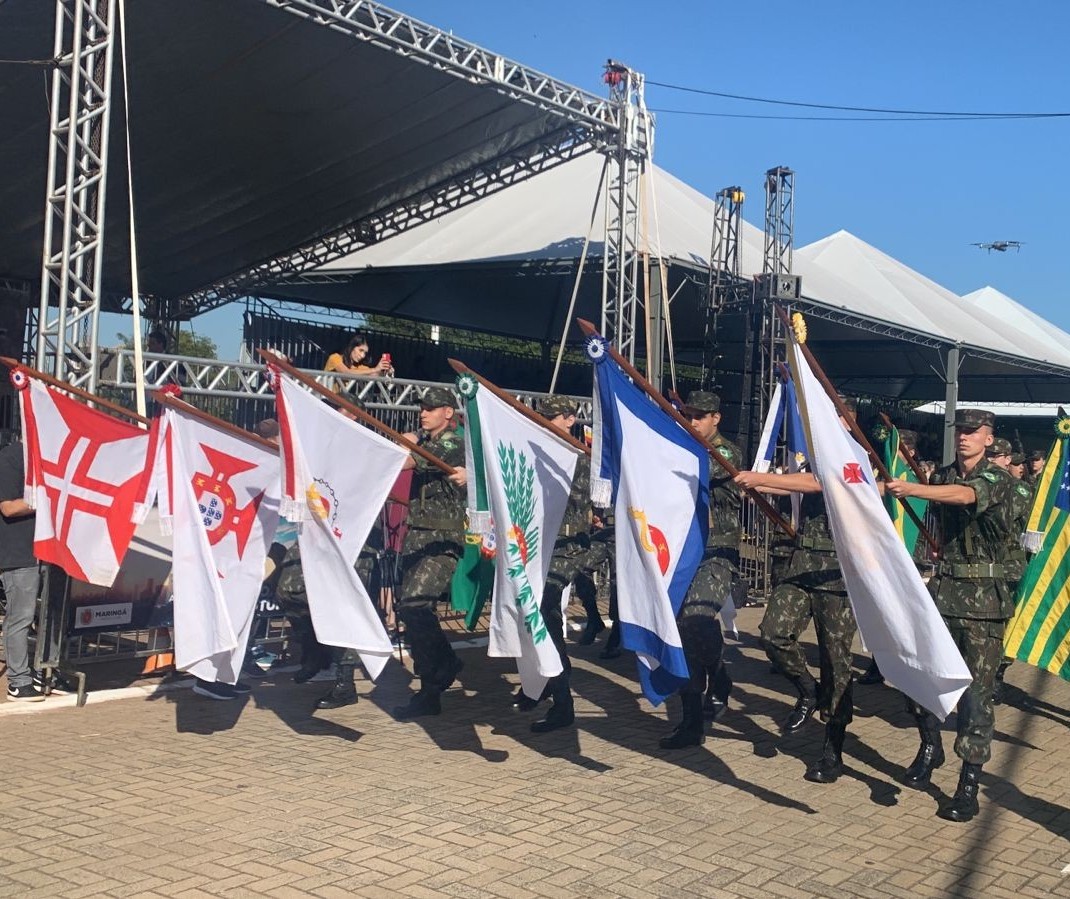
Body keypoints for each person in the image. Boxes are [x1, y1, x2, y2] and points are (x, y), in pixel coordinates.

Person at [886, 408, 1030, 822]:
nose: (964, 437)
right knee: (921, 678)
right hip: (943, 594)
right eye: (960, 431)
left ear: (989, 438)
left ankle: (968, 783)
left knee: (975, 698)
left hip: (985, 605)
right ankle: (930, 747)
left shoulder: (1001, 482)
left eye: (972, 431)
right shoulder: (943, 476)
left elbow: (968, 497)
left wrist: (913, 488)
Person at [734, 399, 860, 783]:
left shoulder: (859, 459)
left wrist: (761, 480)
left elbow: (821, 484)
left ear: (850, 423)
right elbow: (802, 485)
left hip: (839, 575)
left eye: (835, 420)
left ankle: (832, 749)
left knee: (837, 663)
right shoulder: (815, 458)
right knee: (772, 634)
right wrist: (761, 486)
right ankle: (807, 689)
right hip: (804, 563)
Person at [659, 390, 739, 748]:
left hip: (717, 551)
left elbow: (706, 473)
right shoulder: (682, 446)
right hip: (682, 548)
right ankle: (691, 721)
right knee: (679, 629)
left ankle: (718, 674)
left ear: (715, 418)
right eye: (688, 415)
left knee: (696, 618)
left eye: (699, 416)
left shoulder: (726, 453)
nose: (692, 422)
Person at [516, 395, 590, 733]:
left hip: (566, 548)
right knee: (529, 618)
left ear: (569, 419)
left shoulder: (580, 459)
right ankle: (541, 683)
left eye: (551, 418)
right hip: (535, 546)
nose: (543, 424)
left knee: (546, 616)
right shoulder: (535, 451)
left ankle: (562, 701)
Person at [392, 387, 468, 719]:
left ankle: (446, 663)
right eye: (422, 408)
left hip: (442, 539)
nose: (423, 413)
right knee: (411, 612)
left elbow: (406, 460)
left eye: (431, 408)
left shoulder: (452, 443)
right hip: (417, 536)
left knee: (415, 602)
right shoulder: (425, 441)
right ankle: (430, 690)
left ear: (448, 413)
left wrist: (404, 441)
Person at [858, 427, 922, 688]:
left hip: (906, 557)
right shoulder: (877, 475)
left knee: (906, 615)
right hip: (879, 556)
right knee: (881, 611)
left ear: (911, 452)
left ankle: (910, 664)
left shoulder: (914, 480)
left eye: (898, 449)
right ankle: (878, 664)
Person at [1, 438, 44, 702]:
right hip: (19, 554)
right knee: (21, 617)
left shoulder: (49, 456)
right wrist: (45, 500)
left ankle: (45, 670)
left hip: (47, 552)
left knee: (49, 618)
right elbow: (7, 506)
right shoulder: (12, 456)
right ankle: (18, 680)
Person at [324, 332, 393, 386]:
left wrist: (385, 372)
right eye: (360, 350)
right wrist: (375, 369)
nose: (363, 356)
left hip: (339, 402)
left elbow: (374, 375)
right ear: (352, 347)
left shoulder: (358, 367)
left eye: (365, 353)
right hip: (324, 401)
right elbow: (345, 373)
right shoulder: (335, 357)